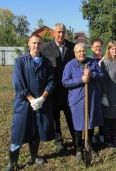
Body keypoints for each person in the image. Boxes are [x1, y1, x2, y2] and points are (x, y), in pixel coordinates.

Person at [4, 34, 55, 171]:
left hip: (40, 103)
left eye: (39, 43)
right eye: (33, 43)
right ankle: (12, 162)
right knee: (19, 131)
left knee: (36, 129)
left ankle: (34, 155)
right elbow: (18, 83)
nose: (36, 46)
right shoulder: (20, 61)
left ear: (42, 44)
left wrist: (42, 98)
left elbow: (51, 81)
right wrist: (31, 99)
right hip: (24, 104)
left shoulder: (46, 62)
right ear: (29, 43)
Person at [62, 43, 104, 160]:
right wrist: (81, 80)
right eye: (79, 51)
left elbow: (102, 77)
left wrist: (92, 74)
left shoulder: (92, 62)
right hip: (77, 101)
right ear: (75, 53)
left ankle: (89, 146)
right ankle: (78, 149)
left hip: (91, 99)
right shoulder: (70, 65)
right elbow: (65, 82)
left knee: (90, 125)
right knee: (78, 127)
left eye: (84, 51)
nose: (82, 53)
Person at [41, 23, 76, 153]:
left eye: (63, 32)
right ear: (54, 33)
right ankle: (59, 142)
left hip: (69, 89)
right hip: (54, 89)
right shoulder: (45, 48)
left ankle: (76, 139)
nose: (61, 34)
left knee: (71, 115)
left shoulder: (71, 47)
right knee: (55, 117)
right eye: (58, 32)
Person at [100, 40, 116, 149]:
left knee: (114, 118)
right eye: (112, 48)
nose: (114, 50)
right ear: (109, 50)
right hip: (108, 95)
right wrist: (104, 96)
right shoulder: (105, 63)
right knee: (108, 119)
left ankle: (114, 140)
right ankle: (107, 141)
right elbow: (103, 80)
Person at [89, 39, 105, 144]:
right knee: (92, 112)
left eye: (99, 46)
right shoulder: (88, 60)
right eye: (95, 47)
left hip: (104, 90)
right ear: (91, 48)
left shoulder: (106, 58)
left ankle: (102, 133)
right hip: (92, 91)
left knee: (103, 113)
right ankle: (91, 134)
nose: (97, 49)